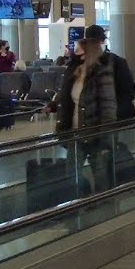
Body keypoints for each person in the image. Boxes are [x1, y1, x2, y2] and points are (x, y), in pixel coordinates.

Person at [54, 38, 118, 191]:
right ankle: (84, 197)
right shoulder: (74, 73)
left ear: (87, 53)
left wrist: (106, 135)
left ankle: (104, 202)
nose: (73, 53)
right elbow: (68, 99)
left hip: (94, 132)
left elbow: (108, 105)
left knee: (99, 171)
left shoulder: (101, 73)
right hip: (75, 132)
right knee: (71, 172)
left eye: (77, 50)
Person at [84, 24, 135, 122]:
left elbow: (127, 92)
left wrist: (114, 113)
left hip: (116, 118)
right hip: (99, 119)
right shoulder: (84, 64)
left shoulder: (116, 63)